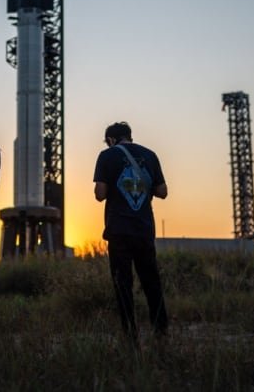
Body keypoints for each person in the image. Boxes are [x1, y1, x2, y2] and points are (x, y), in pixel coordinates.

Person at [93, 121, 169, 346]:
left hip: (118, 229)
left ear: (111, 140)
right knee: (151, 281)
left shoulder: (106, 156)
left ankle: (130, 335)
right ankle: (161, 331)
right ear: (130, 136)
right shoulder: (150, 154)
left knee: (122, 283)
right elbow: (163, 192)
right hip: (144, 228)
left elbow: (100, 194)